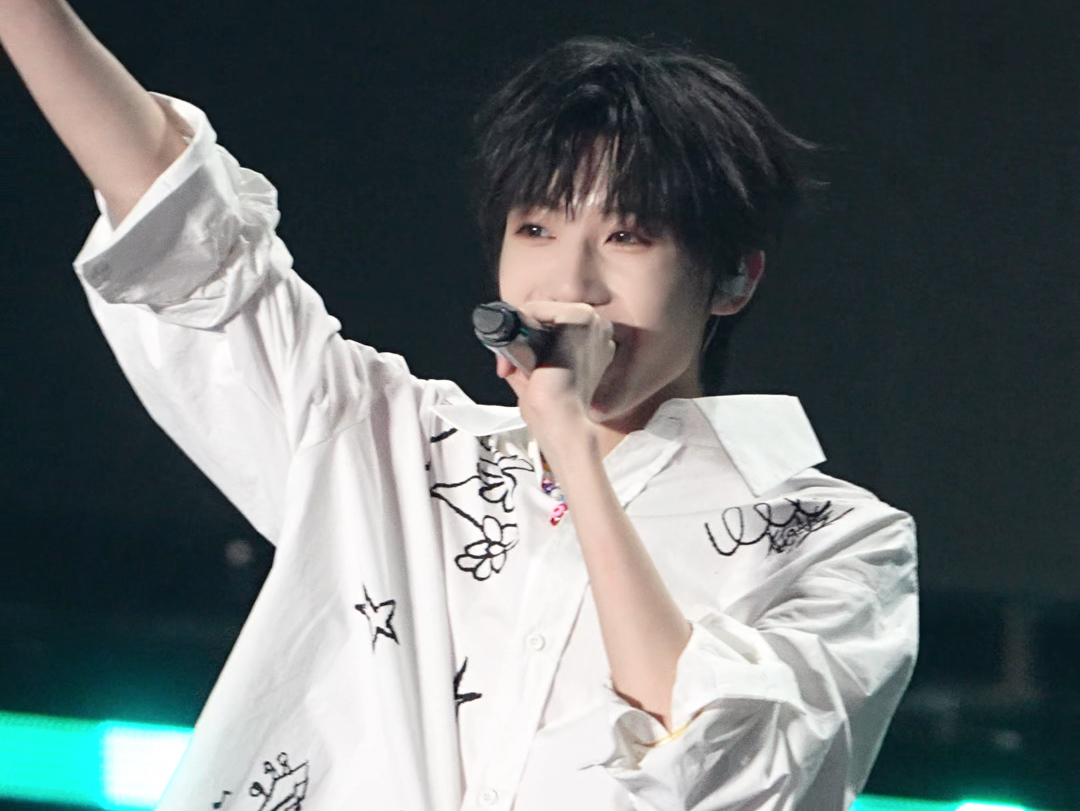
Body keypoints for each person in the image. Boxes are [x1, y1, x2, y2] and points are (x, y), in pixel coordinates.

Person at [1, 4, 919, 810]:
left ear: (732, 277)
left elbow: (737, 775)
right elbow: (188, 236)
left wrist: (573, 447)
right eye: (537, 228)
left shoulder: (843, 543)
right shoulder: (396, 444)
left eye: (630, 235)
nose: (571, 282)